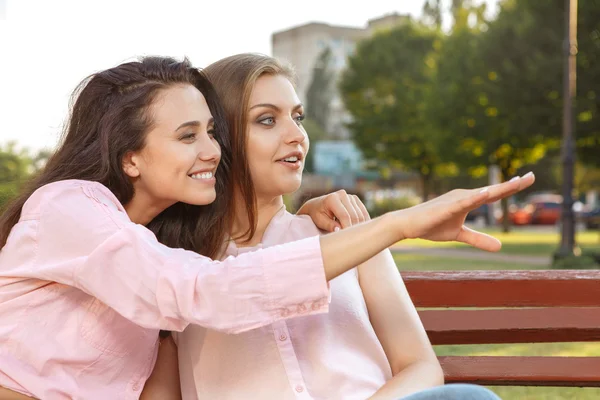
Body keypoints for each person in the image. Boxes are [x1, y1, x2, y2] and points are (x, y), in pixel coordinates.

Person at [0, 56, 533, 400]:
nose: (209, 149)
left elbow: (419, 367)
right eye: (189, 135)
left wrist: (335, 226)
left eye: (209, 132)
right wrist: (400, 223)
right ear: (130, 158)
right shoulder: (83, 215)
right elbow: (205, 292)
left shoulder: (162, 254)